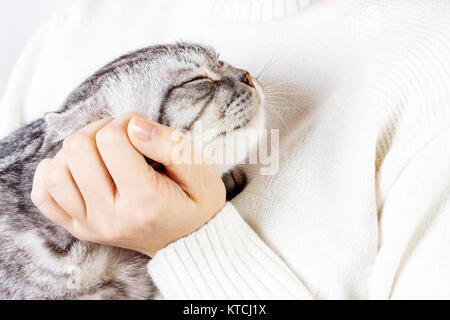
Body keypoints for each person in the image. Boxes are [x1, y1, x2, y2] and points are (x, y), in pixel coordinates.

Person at [2, 0, 450, 299]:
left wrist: (194, 244)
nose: (248, 77)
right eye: (203, 77)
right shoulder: (78, 24)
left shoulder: (432, 60)